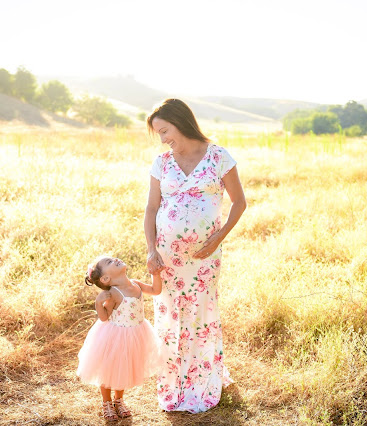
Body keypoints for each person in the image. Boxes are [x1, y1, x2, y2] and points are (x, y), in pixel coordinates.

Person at [144, 98, 247, 413]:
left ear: (180, 121)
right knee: (172, 315)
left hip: (204, 258)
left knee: (200, 315)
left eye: (165, 130)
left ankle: (201, 379)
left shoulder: (218, 157)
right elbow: (151, 208)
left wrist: (217, 238)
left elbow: (239, 203)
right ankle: (175, 380)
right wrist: (151, 249)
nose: (163, 139)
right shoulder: (162, 162)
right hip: (167, 257)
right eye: (158, 134)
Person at [77, 255, 163, 421]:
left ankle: (119, 400)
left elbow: (155, 290)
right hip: (115, 336)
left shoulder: (136, 284)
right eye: (109, 262)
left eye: (112, 258)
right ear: (106, 278)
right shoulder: (113, 293)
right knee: (109, 368)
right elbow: (104, 317)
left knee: (124, 367)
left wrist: (156, 273)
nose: (115, 259)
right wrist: (98, 304)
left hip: (135, 334)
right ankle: (107, 402)